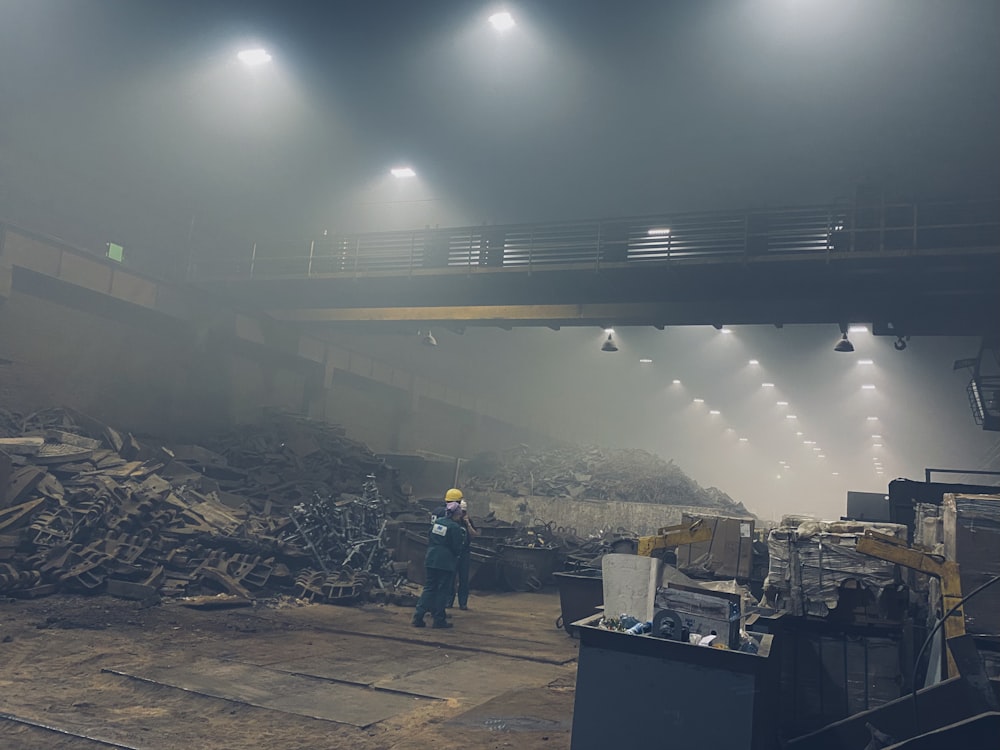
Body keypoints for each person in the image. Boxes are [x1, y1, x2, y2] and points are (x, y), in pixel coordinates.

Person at [412, 499, 464, 629]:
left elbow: (430, 537)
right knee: (442, 590)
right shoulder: (455, 527)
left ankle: (418, 616)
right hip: (445, 562)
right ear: (456, 514)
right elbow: (457, 547)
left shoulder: (437, 523)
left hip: (431, 558)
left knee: (429, 588)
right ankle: (439, 620)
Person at [449, 497, 479, 611]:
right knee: (451, 578)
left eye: (464, 512)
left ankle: (463, 603)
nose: (462, 514)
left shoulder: (467, 521)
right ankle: (448, 601)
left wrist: (468, 524)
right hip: (453, 553)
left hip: (464, 552)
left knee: (464, 579)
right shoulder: (451, 521)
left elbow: (474, 535)